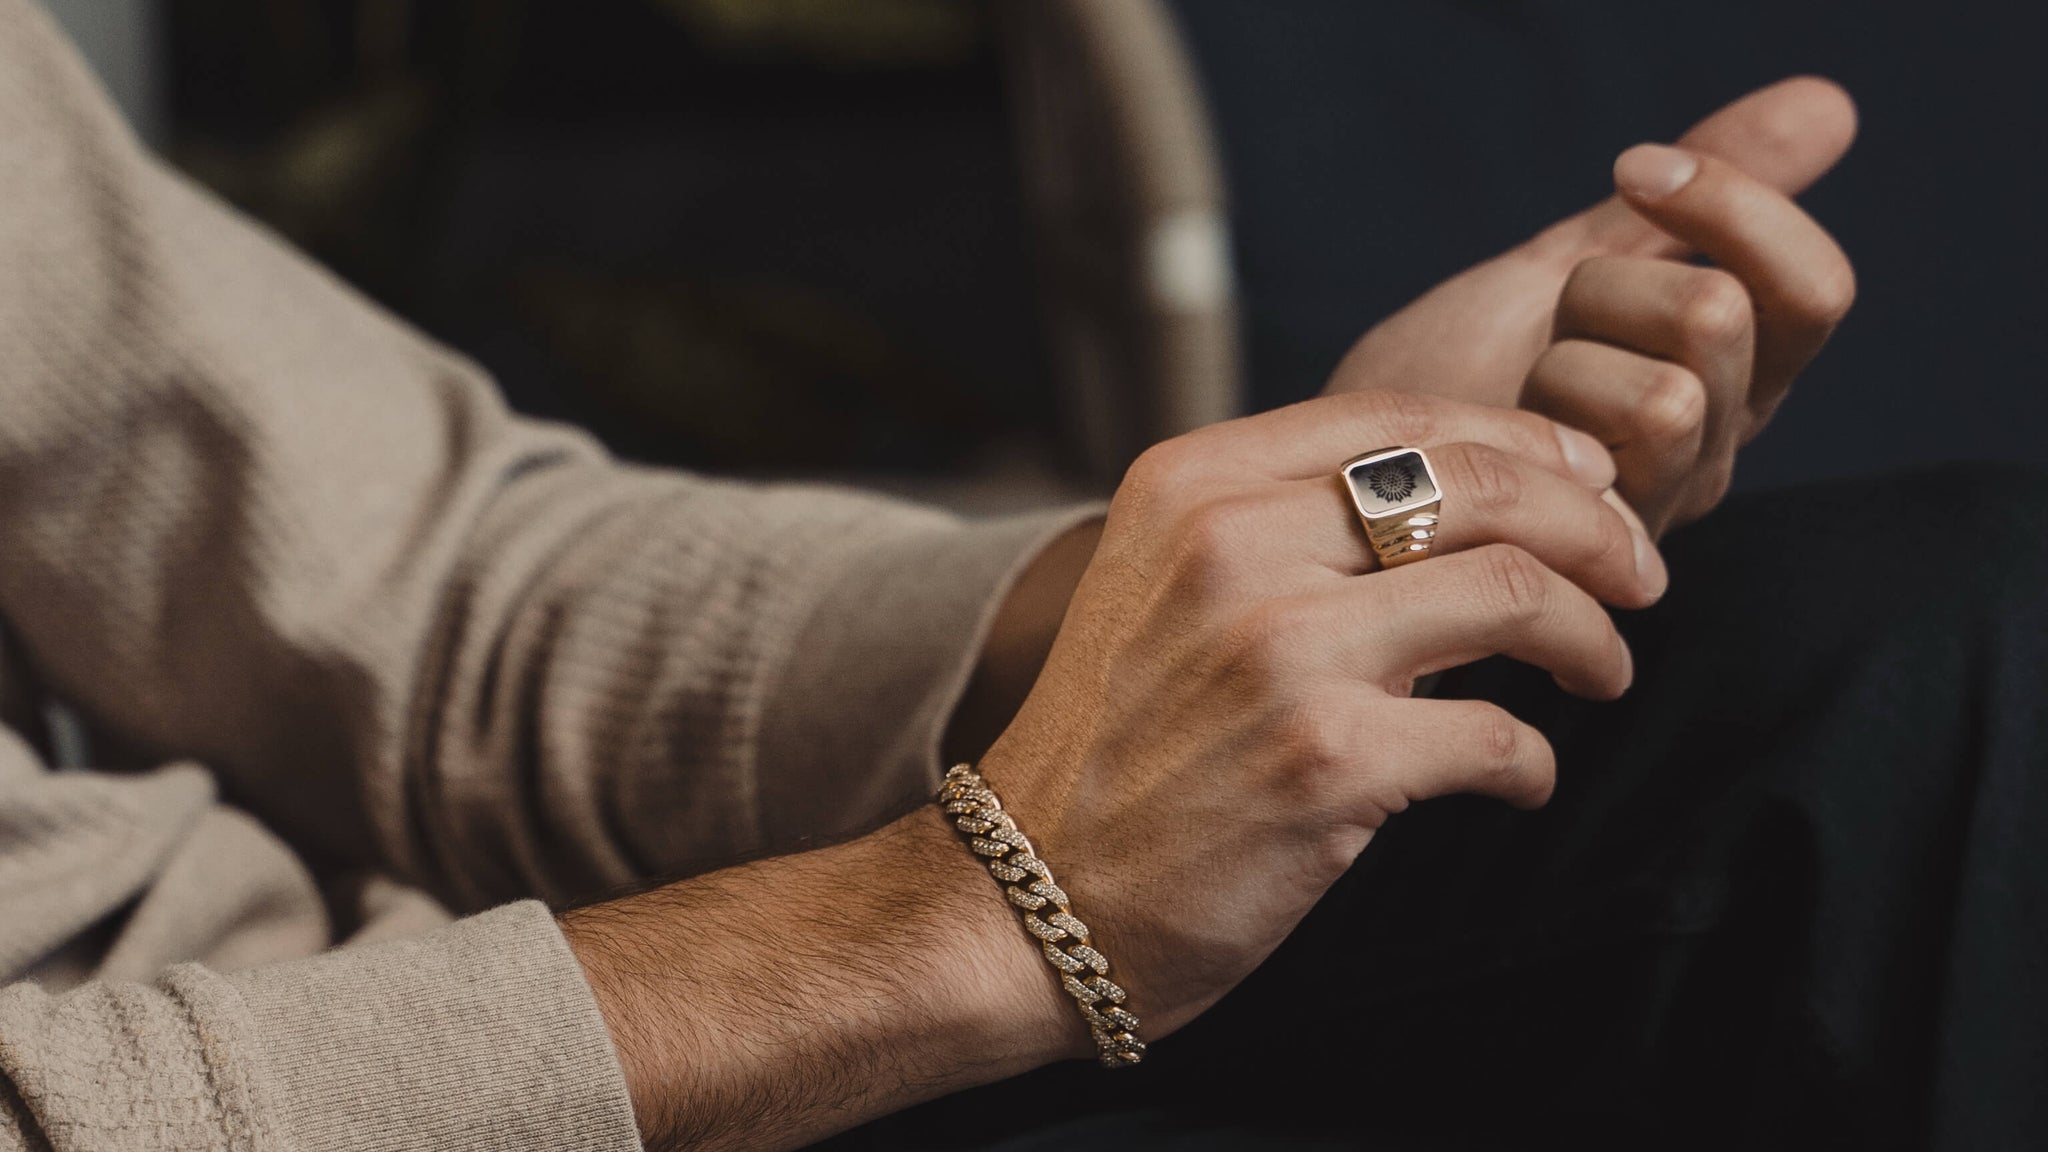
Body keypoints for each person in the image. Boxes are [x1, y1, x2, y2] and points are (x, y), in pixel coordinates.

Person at [0, 2, 2040, 1150]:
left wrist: (1267, 546)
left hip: (517, 1025)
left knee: (1941, 668)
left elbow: (450, 594)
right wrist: (961, 917)